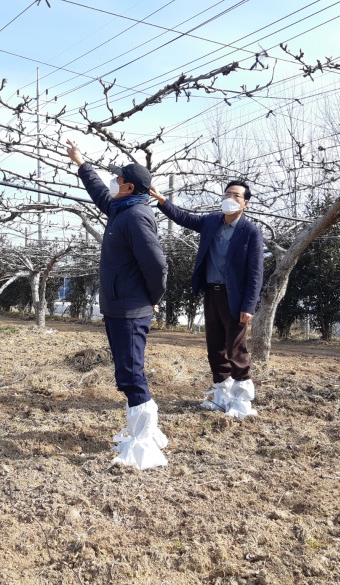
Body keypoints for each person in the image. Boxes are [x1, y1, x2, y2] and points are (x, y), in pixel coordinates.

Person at [66, 139, 169, 470]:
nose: (113, 182)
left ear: (128, 186)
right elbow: (99, 194)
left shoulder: (136, 216)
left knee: (130, 372)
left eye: (118, 178)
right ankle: (139, 429)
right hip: (118, 305)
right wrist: (81, 164)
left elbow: (156, 264)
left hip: (130, 308)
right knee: (126, 370)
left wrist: (153, 298)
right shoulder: (121, 208)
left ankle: (144, 441)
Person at [150, 180, 264, 419]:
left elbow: (256, 272)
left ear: (246, 203)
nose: (230, 198)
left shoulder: (250, 232)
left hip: (235, 298)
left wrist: (249, 306)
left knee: (236, 348)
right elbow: (184, 217)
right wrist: (162, 200)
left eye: (236, 195)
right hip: (211, 293)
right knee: (215, 347)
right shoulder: (212, 221)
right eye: (227, 193)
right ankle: (221, 397)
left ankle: (242, 402)